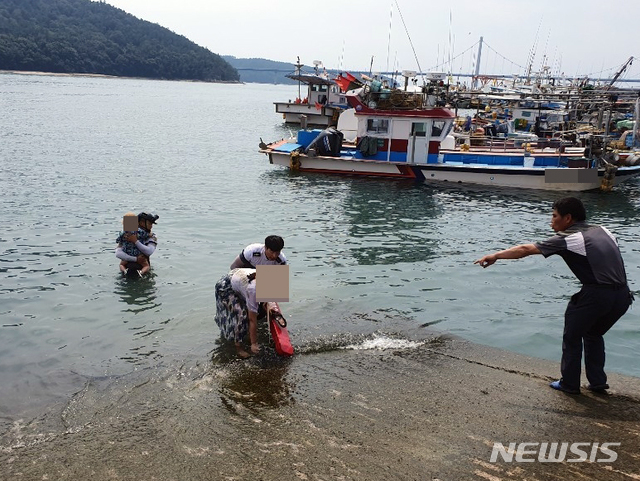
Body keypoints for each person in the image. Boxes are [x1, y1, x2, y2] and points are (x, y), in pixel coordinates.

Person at [474, 197, 633, 395]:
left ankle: (569, 384)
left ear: (567, 218)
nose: (551, 220)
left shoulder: (569, 238)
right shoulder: (603, 230)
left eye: (554, 216)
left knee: (572, 336)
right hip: (623, 296)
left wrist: (495, 255)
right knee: (593, 333)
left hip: (597, 295)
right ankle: (598, 383)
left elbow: (525, 250)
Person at [214, 268, 261, 358]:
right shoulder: (253, 289)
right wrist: (254, 343)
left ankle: (246, 334)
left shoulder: (271, 280)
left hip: (237, 278)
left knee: (254, 311)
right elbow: (252, 319)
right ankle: (238, 348)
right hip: (225, 287)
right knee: (241, 315)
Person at [116, 212, 159, 277]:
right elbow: (118, 253)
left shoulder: (125, 234)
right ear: (141, 223)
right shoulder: (150, 236)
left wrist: (135, 241)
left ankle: (124, 270)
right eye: (150, 223)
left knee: (122, 265)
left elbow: (149, 251)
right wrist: (136, 259)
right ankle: (141, 272)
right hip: (142, 265)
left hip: (126, 264)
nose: (151, 226)